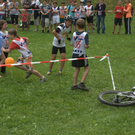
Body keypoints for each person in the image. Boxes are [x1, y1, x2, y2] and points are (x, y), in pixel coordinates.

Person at [70, 18, 89, 91]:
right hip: (82, 54)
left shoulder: (74, 33)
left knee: (77, 69)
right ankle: (81, 83)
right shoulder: (85, 34)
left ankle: (74, 85)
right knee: (87, 68)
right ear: (84, 26)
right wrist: (87, 46)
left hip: (74, 53)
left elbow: (71, 44)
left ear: (77, 26)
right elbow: (86, 45)